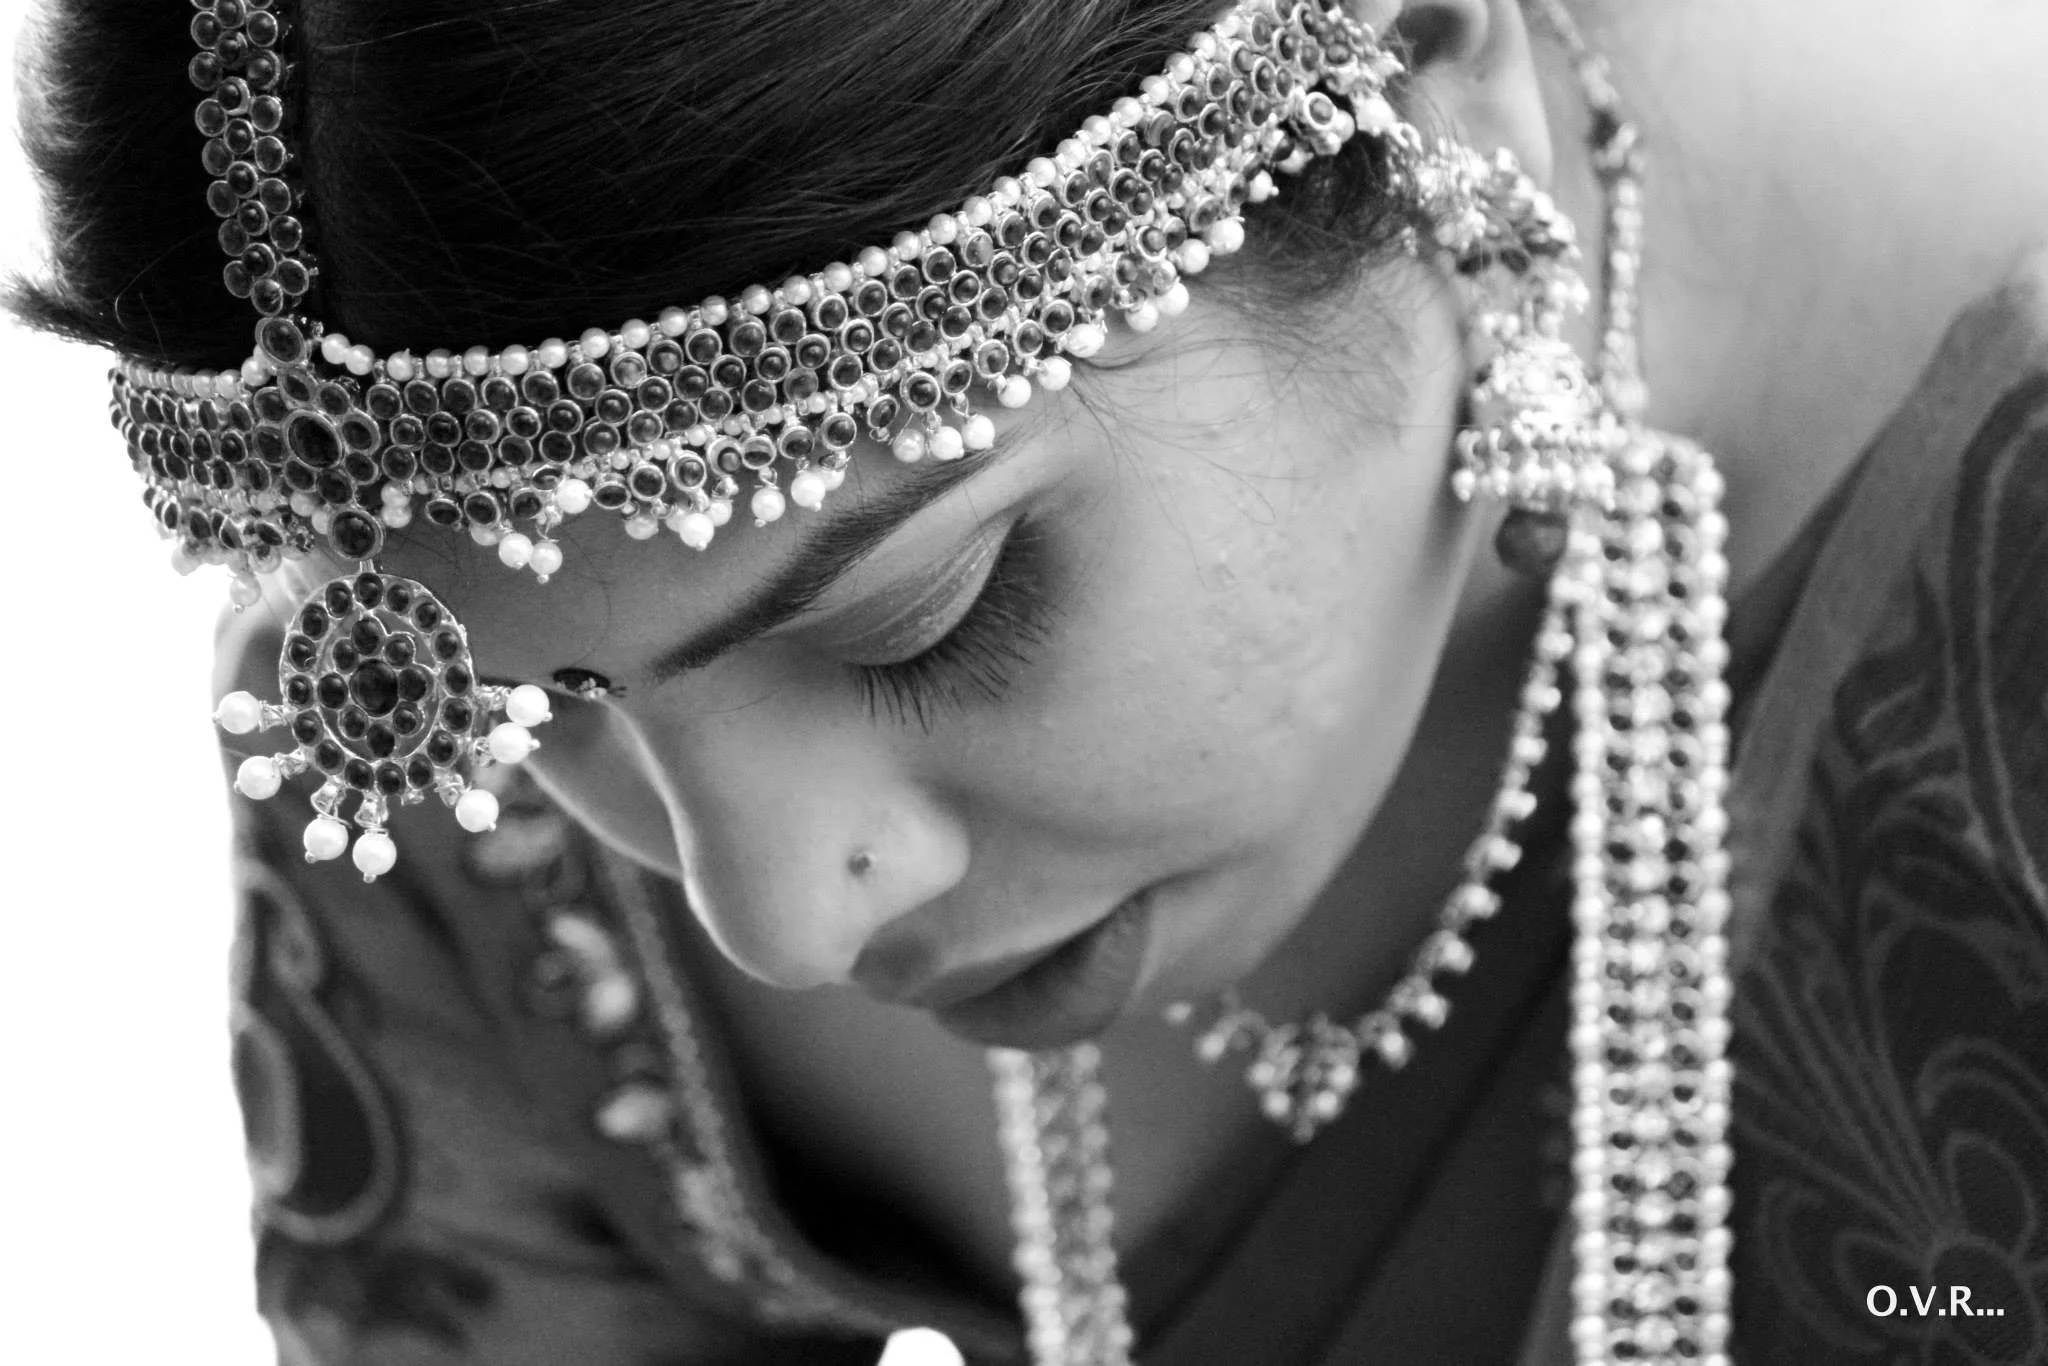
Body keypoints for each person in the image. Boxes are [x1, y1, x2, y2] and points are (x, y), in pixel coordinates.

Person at [13, 0, 2047, 1361]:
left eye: (922, 610)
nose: (774, 908)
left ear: (1430, 83)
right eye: (530, 706)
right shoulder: (429, 750)